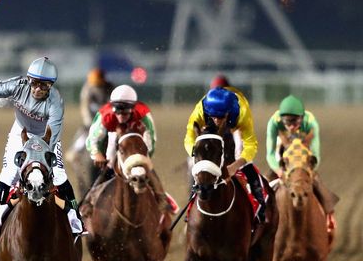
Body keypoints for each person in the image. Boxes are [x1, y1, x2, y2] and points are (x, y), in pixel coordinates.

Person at [0, 57, 84, 237]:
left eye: (44, 85)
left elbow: (52, 137)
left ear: (51, 86)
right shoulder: (18, 86)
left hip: (46, 138)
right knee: (10, 172)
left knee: (58, 174)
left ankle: (75, 217)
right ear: (28, 80)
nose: (38, 89)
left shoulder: (56, 102)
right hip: (20, 133)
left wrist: (40, 159)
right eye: (35, 83)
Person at [85, 84, 175, 214]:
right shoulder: (105, 114)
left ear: (133, 109)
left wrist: (143, 158)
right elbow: (92, 139)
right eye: (118, 112)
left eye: (125, 113)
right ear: (112, 108)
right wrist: (97, 154)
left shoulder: (143, 114)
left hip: (136, 137)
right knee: (110, 163)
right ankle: (90, 201)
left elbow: (151, 140)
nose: (121, 117)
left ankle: (161, 198)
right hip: (113, 136)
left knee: (145, 165)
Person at [184, 86, 267, 224]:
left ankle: (260, 204)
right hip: (208, 133)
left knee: (245, 163)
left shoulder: (242, 112)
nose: (216, 121)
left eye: (220, 117)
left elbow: (251, 145)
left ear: (228, 113)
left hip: (234, 130)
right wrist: (198, 157)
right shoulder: (200, 110)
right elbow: (189, 138)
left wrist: (235, 166)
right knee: (198, 168)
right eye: (213, 117)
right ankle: (191, 204)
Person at [266, 95, 338, 231]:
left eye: (295, 123)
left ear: (302, 118)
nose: (292, 127)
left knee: (317, 183)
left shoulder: (311, 122)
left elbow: (315, 155)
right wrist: (279, 171)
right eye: (288, 123)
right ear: (281, 119)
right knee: (266, 184)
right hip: (283, 155)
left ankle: (329, 217)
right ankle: (261, 220)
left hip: (304, 157)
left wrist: (307, 172)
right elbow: (270, 154)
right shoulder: (274, 122)